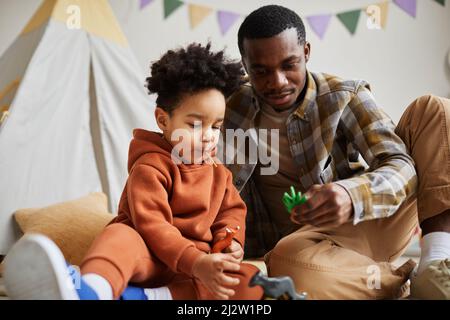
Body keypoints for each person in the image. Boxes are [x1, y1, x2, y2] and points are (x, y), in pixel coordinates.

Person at [4, 43, 263, 300]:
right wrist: (195, 262)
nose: (208, 137)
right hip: (148, 255)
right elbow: (154, 227)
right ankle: (91, 290)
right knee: (120, 237)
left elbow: (231, 212)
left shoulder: (219, 172)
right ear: (163, 120)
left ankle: (143, 297)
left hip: (192, 266)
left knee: (251, 280)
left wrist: (230, 241)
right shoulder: (151, 166)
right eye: (195, 125)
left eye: (216, 127)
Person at [223, 5, 450, 299]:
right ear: (244, 65)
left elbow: (401, 165)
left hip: (362, 225)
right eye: (261, 71)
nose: (277, 81)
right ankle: (400, 282)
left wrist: (350, 195)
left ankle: (435, 261)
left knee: (435, 110)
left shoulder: (342, 97)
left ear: (306, 51)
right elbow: (178, 126)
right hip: (299, 253)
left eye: (289, 65)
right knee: (289, 265)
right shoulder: (228, 106)